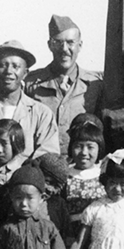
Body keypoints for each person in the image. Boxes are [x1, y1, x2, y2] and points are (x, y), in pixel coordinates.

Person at [25, 14, 103, 154]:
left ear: (80, 45)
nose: (64, 49)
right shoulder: (31, 84)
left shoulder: (94, 85)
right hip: (42, 164)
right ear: (49, 45)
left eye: (70, 42)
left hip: (81, 165)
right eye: (58, 42)